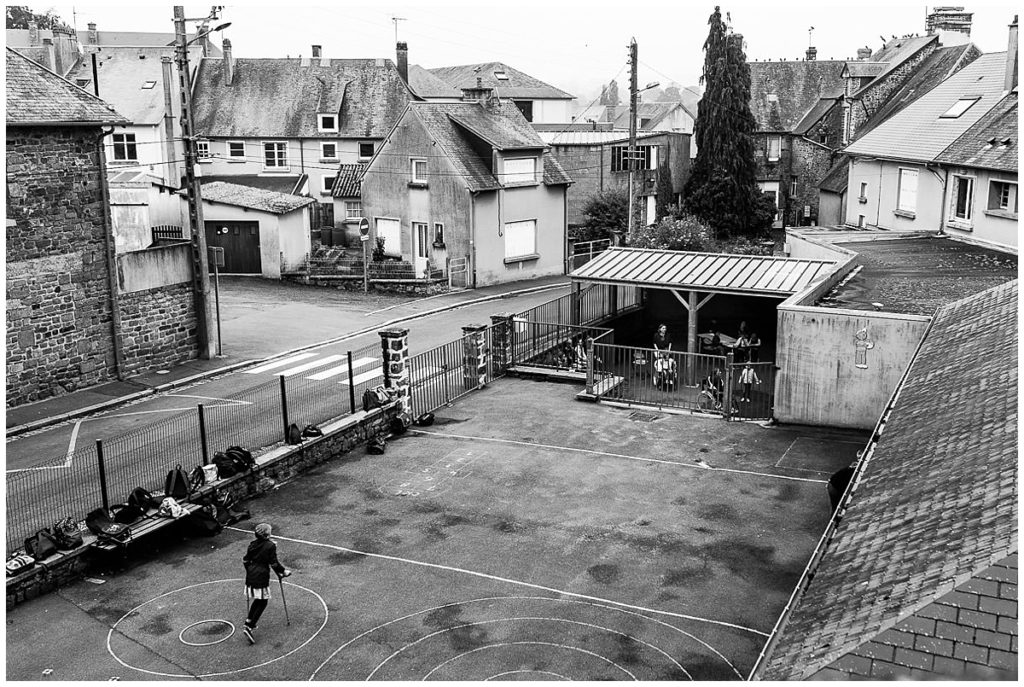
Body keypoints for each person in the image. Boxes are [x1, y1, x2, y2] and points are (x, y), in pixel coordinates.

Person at [242, 523, 291, 644]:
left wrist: (250, 570)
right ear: (267, 534)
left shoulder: (253, 544)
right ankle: (250, 626)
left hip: (251, 575)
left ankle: (248, 621)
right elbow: (273, 563)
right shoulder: (270, 546)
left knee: (258, 599)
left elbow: (245, 560)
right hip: (261, 576)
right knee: (263, 601)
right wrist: (283, 571)